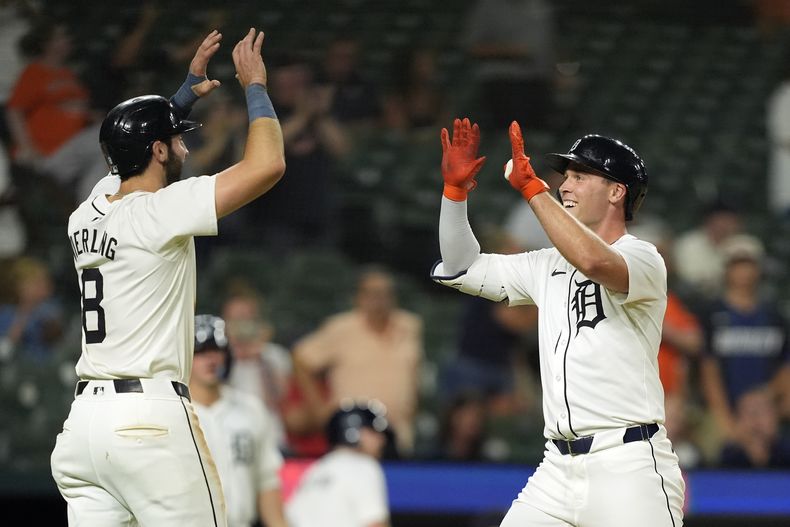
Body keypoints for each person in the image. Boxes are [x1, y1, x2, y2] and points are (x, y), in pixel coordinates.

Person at [50, 28, 286, 526]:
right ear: (158, 150)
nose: (182, 146)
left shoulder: (86, 213)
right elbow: (267, 164)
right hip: (148, 423)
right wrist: (255, 87)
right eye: (175, 139)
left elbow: (125, 154)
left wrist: (180, 98)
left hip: (83, 431)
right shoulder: (162, 211)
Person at [431, 118, 684, 525]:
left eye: (580, 175)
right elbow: (461, 267)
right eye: (565, 175)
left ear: (617, 192)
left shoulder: (644, 257)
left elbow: (596, 260)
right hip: (557, 468)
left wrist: (533, 189)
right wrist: (455, 194)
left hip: (628, 464)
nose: (565, 185)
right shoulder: (545, 264)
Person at [292, 266, 422, 454]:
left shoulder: (409, 327)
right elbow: (301, 358)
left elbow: (414, 374)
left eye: (386, 293)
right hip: (352, 436)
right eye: (373, 293)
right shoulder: (342, 329)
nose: (380, 300)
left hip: (399, 437)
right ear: (359, 297)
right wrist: (319, 409)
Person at [190, 315, 288, 527]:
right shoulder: (172, 412)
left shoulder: (251, 409)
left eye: (218, 351)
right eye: (201, 352)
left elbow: (267, 481)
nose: (211, 359)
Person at [699, 234, 790, 440]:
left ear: (759, 269)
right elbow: (709, 371)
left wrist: (767, 400)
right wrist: (727, 422)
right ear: (726, 269)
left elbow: (786, 366)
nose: (743, 271)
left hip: (768, 410)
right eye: (736, 264)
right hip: (721, 411)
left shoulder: (774, 315)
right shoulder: (712, 314)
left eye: (748, 264)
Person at [286, 401, 391, 527]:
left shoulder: (316, 470)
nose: (382, 440)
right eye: (373, 432)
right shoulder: (365, 466)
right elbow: (374, 524)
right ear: (353, 434)